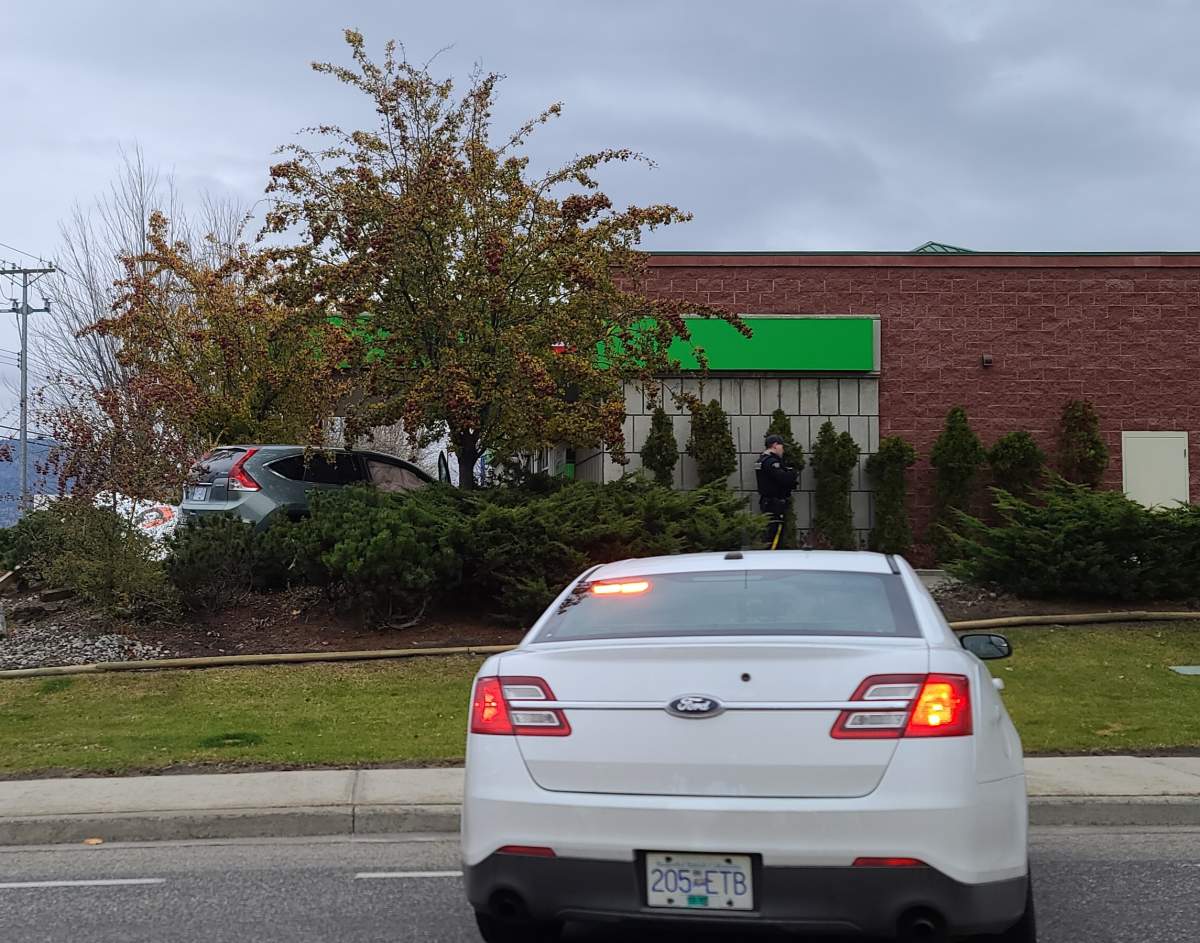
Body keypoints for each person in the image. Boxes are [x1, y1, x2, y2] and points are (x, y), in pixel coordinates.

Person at [755, 434, 799, 550]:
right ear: (775, 445)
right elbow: (783, 479)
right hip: (775, 504)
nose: (783, 449)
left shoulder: (761, 460)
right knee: (775, 535)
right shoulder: (771, 462)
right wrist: (792, 473)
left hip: (768, 502)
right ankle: (772, 559)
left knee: (770, 534)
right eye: (781, 446)